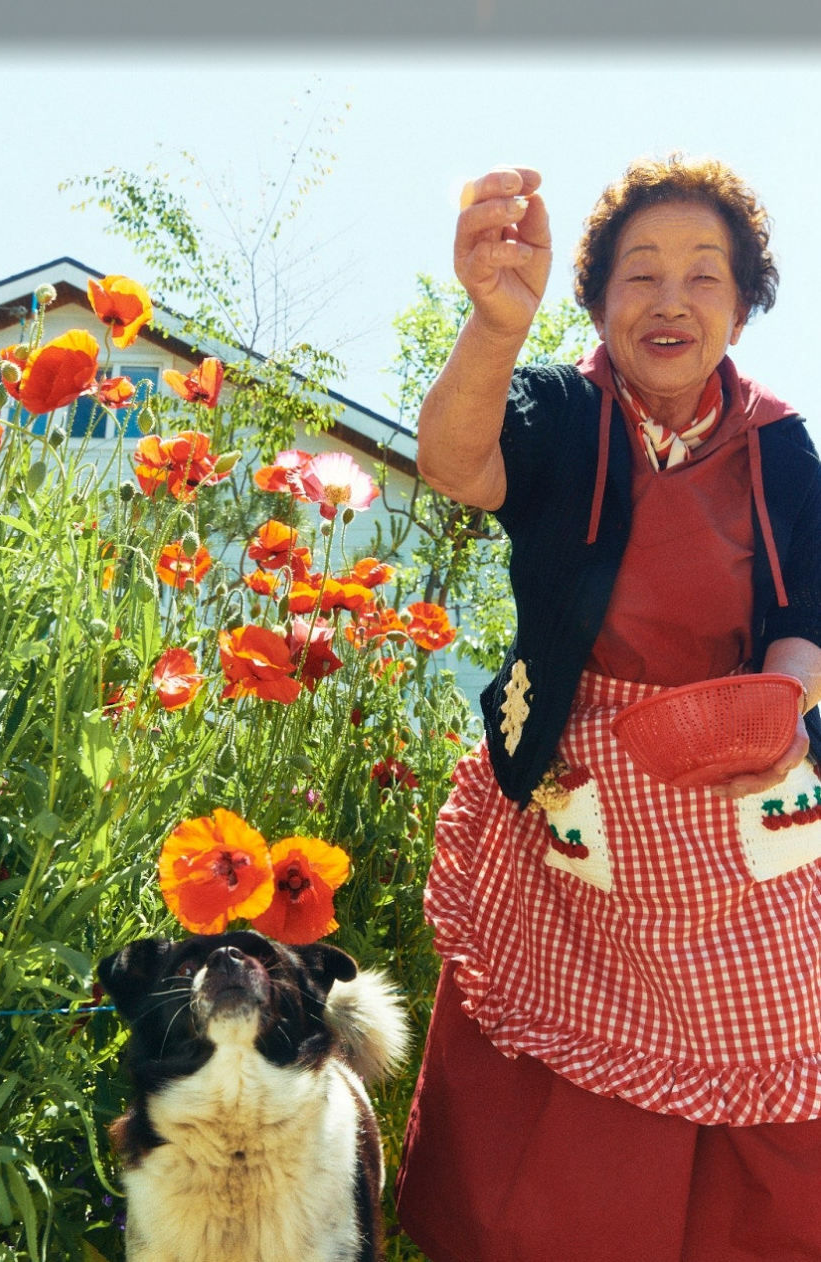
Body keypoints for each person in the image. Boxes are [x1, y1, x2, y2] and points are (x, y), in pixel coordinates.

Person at [394, 153, 821, 1262]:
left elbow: (807, 606)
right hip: (574, 790)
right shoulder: (556, 410)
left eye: (703, 275)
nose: (670, 299)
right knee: (548, 1105)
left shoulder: (779, 444)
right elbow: (454, 461)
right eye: (639, 274)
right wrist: (493, 324)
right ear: (592, 301)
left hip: (738, 794)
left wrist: (781, 705)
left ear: (742, 303)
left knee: (772, 1062)